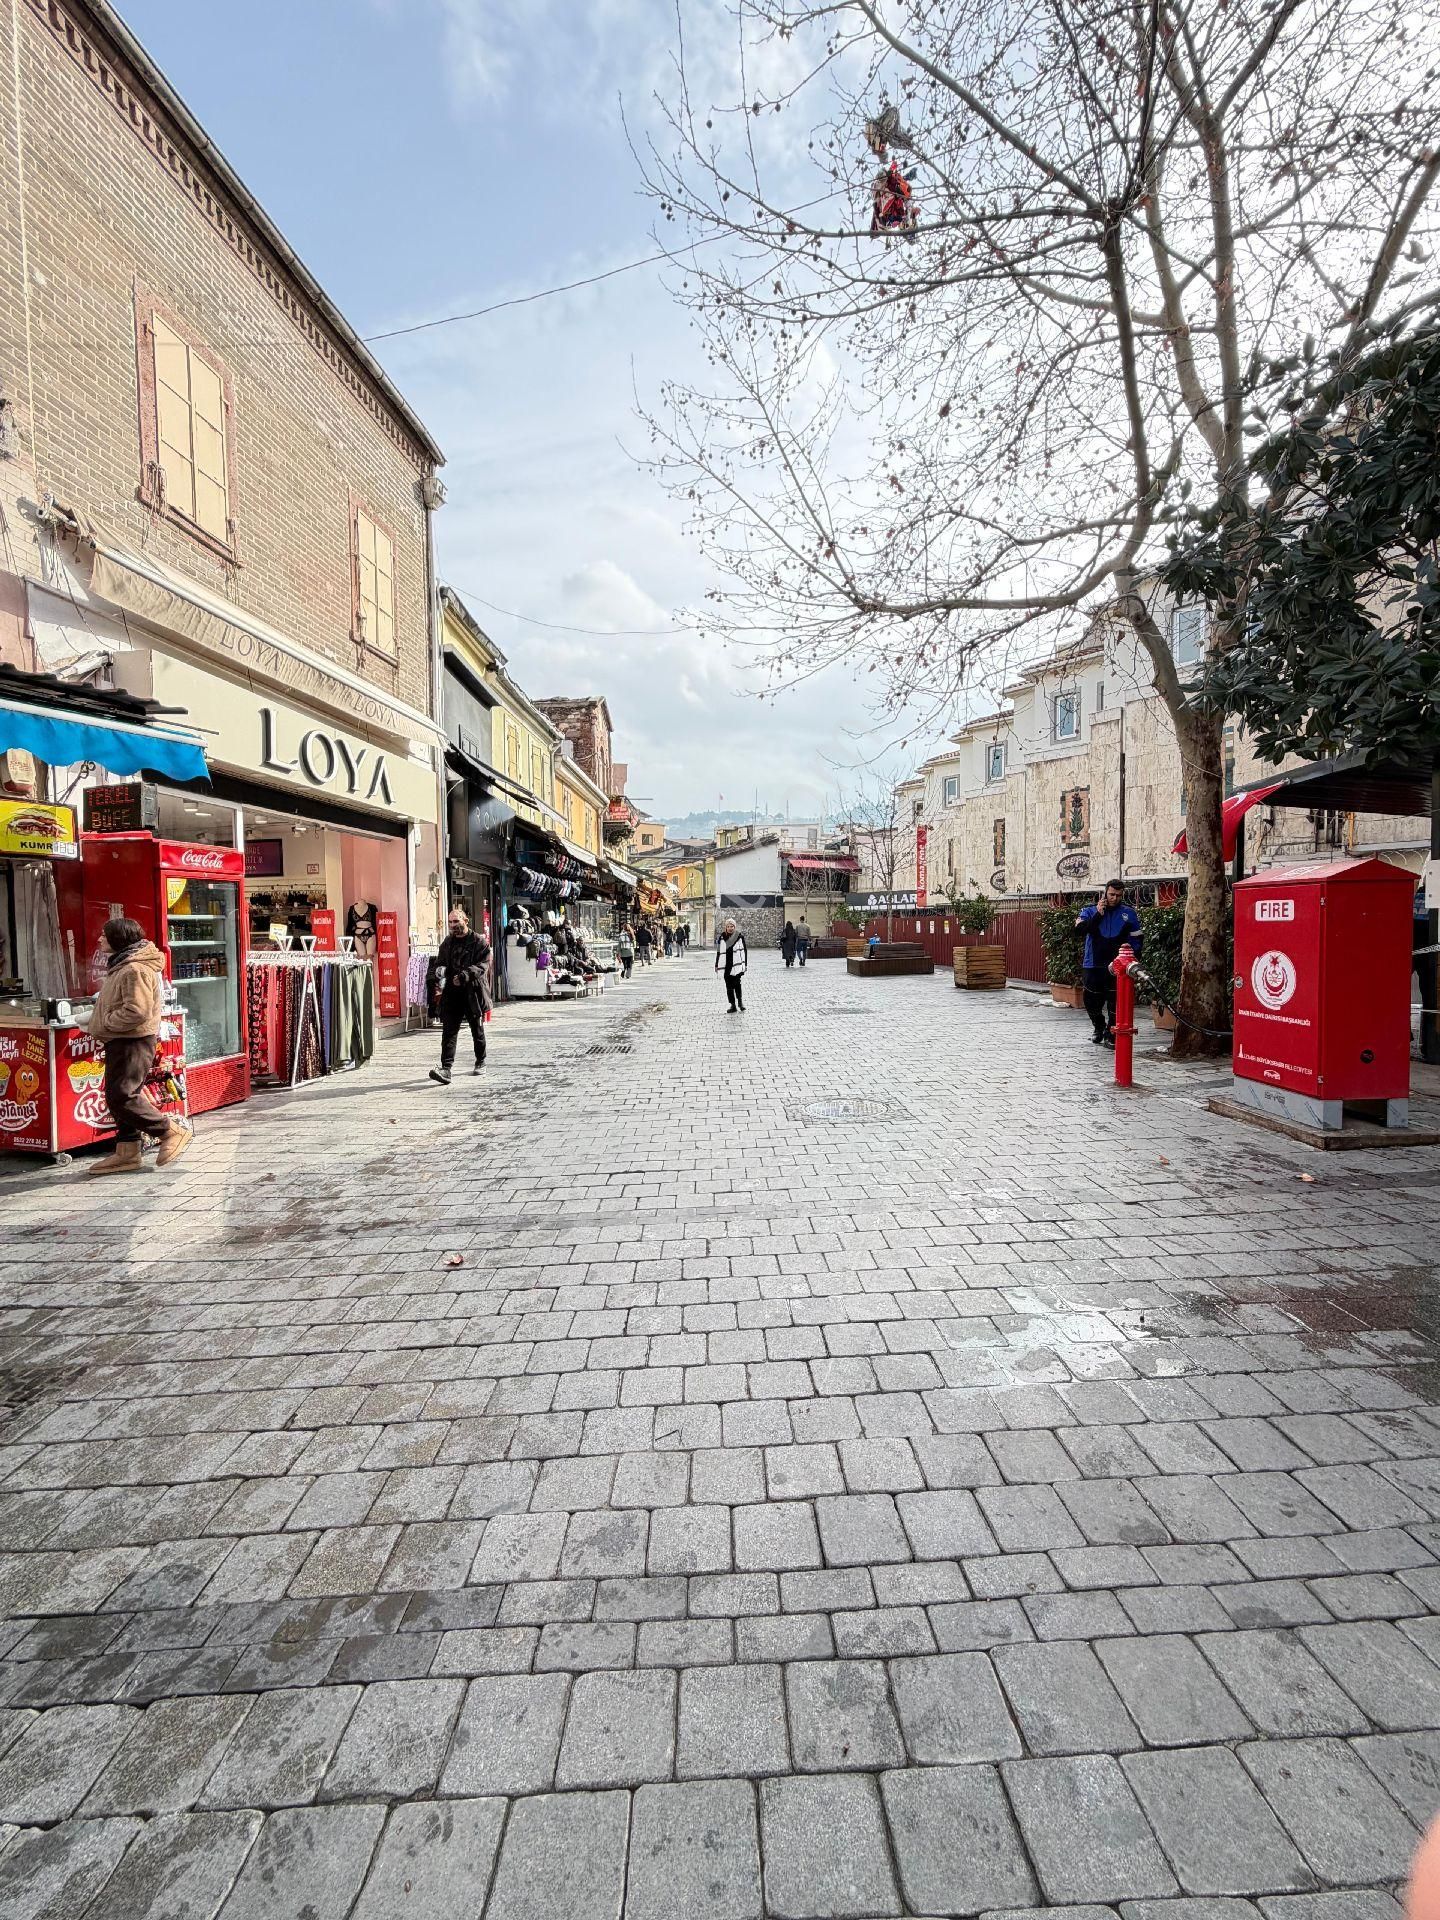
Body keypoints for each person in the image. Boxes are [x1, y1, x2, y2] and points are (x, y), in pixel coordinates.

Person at [87, 915, 192, 1174]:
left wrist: (107, 1020)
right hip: (121, 1039)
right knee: (116, 1095)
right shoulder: (123, 965)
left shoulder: (135, 968)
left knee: (123, 1096)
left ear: (118, 939)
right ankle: (127, 1151)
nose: (100, 939)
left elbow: (137, 1011)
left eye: (104, 934)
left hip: (132, 1040)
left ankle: (169, 1130)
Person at [427, 906, 492, 1083]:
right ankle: (446, 1069)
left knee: (476, 1029)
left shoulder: (479, 942)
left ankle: (481, 1060)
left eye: (456, 921)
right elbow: (439, 964)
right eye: (450, 922)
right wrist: (438, 974)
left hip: (473, 992)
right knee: (448, 1032)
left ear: (466, 921)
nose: (453, 925)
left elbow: (483, 965)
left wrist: (465, 975)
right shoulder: (447, 943)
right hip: (452, 993)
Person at [1076, 880, 1143, 1047]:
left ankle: (1111, 1032)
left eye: (1119, 895)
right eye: (1112, 894)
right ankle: (1098, 1026)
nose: (1115, 898)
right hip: (1093, 963)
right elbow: (1080, 931)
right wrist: (1099, 913)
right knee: (1091, 1000)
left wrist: (1132, 953)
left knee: (1115, 1001)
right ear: (1105, 892)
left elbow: (1138, 938)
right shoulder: (1089, 910)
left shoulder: (1129, 913)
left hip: (1117, 965)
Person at [716, 916, 748, 1012]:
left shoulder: (739, 937)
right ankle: (733, 1005)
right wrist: (717, 964)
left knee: (737, 984)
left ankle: (740, 1003)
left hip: (737, 965)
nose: (730, 928)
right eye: (728, 926)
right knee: (729, 987)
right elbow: (719, 952)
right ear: (726, 927)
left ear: (735, 927)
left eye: (732, 926)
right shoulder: (722, 938)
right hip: (727, 966)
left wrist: (745, 964)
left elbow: (744, 951)